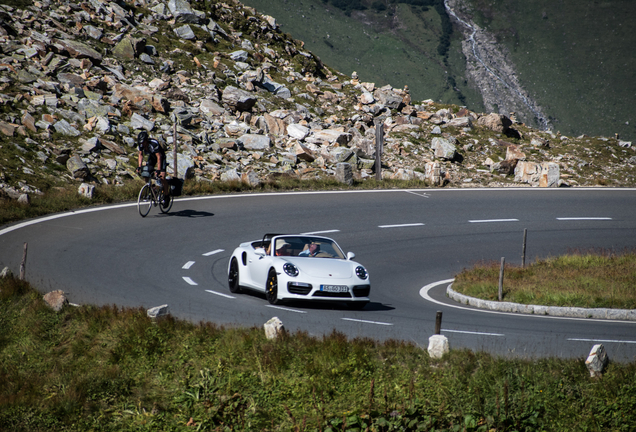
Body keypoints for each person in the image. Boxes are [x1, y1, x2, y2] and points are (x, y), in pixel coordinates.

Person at [137, 131, 170, 208]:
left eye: (143, 142)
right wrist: (139, 166)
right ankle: (153, 189)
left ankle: (167, 196)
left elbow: (159, 157)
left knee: (162, 177)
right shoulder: (141, 144)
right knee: (146, 173)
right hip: (152, 157)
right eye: (140, 142)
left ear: (146, 140)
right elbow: (140, 154)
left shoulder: (154, 143)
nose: (142, 144)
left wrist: (158, 170)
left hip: (161, 157)